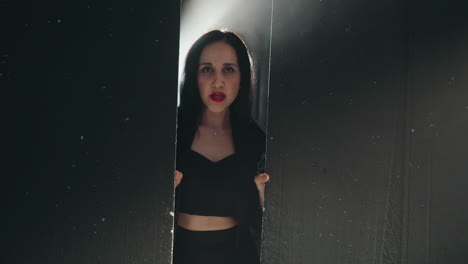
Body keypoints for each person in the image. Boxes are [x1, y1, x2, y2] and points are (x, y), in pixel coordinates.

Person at [172, 29, 270, 264]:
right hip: (176, 254)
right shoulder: (171, 132)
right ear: (193, 76)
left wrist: (265, 197)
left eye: (228, 69)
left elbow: (266, 220)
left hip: (236, 255)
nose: (218, 82)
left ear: (243, 77)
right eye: (207, 69)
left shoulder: (256, 140)